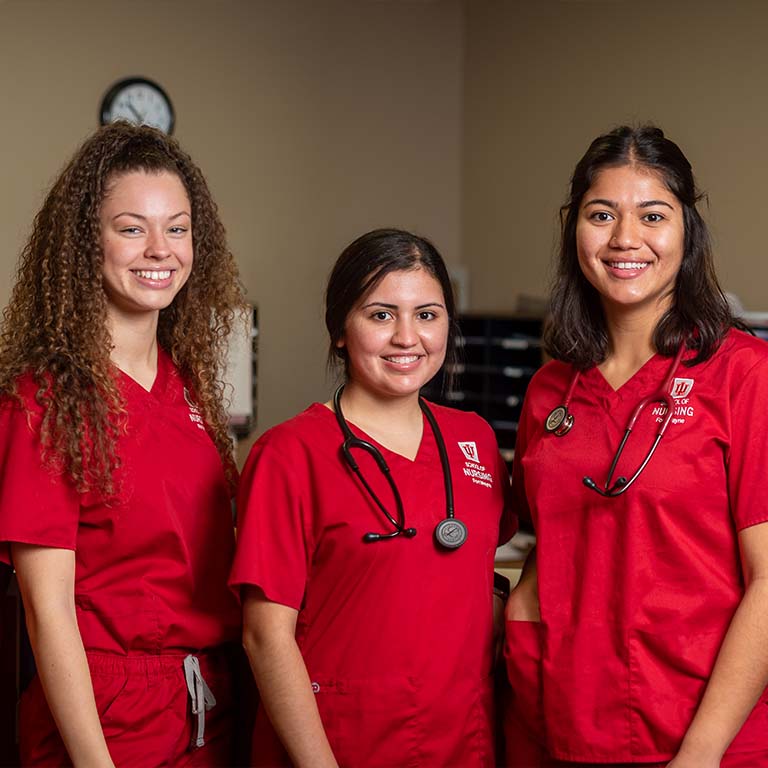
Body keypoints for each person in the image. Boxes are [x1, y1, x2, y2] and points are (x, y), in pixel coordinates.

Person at [504, 125, 768, 767]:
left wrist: (700, 755)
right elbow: (549, 548)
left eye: (653, 215)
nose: (625, 239)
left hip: (705, 736)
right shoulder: (550, 391)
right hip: (556, 722)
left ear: (686, 231)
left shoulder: (744, 375)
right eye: (602, 215)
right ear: (575, 231)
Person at [0, 122, 245, 766]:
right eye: (132, 227)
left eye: (178, 227)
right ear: (88, 243)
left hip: (205, 706)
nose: (160, 249)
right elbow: (45, 607)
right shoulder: (46, 399)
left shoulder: (188, 387)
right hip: (106, 716)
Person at [230, 228, 516, 767]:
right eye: (381, 315)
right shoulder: (290, 455)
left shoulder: (473, 438)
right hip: (339, 745)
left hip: (462, 740)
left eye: (427, 315)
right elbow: (265, 637)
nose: (407, 337)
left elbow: (483, 566)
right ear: (341, 328)